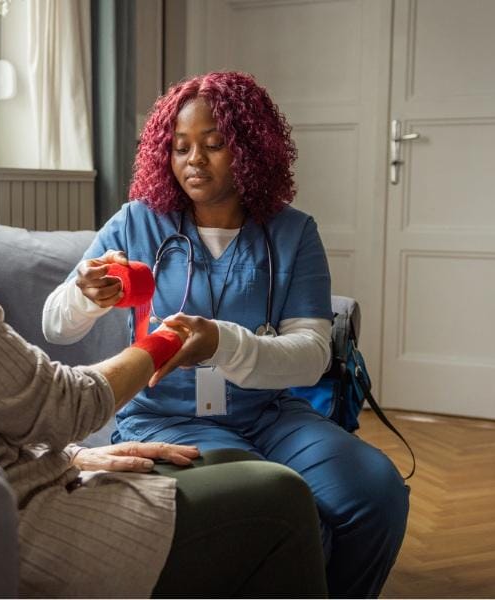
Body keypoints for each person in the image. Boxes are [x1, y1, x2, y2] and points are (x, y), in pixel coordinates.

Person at [0, 77, 327, 598]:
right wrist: (170, 341)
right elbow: (66, 403)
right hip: (17, 526)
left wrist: (75, 458)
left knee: (238, 473)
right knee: (280, 498)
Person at [43, 71, 409, 598]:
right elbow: (55, 323)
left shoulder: (292, 232)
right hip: (166, 417)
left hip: (270, 414)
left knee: (375, 492)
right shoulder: (137, 223)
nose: (195, 159)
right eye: (180, 146)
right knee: (264, 498)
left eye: (214, 145)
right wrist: (85, 293)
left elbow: (309, 355)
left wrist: (222, 342)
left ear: (250, 150)